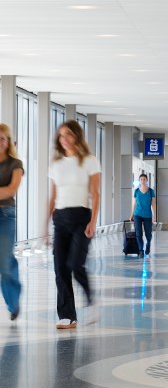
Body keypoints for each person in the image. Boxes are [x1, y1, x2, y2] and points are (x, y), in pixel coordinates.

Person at [48, 120, 101, 329]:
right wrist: (45, 225)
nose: (64, 139)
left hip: (82, 217)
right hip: (60, 218)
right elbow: (52, 196)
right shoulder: (55, 164)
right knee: (60, 268)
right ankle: (67, 316)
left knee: (75, 264)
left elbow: (95, 194)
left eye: (68, 134)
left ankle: (91, 300)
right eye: (61, 136)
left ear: (77, 136)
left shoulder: (90, 161)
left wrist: (93, 222)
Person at [0, 124, 24, 322]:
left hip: (6, 215)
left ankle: (13, 303)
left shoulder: (16, 164)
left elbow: (11, 190)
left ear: (8, 142)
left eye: (2, 138)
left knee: (5, 265)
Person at [130, 173, 156, 257]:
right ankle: (141, 250)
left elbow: (153, 204)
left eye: (144, 179)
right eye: (141, 179)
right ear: (139, 181)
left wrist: (154, 215)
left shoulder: (151, 191)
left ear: (147, 180)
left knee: (148, 233)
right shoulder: (136, 191)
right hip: (137, 214)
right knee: (138, 233)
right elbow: (134, 203)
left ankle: (148, 244)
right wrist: (132, 214)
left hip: (148, 215)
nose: (143, 181)